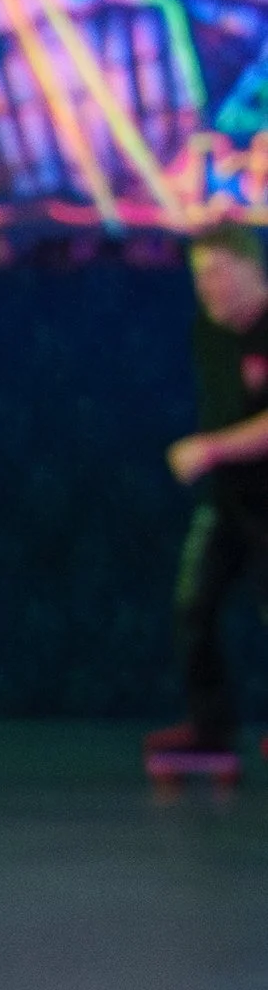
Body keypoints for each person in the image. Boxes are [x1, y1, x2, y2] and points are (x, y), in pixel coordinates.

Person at [145, 222, 268, 779]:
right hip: (228, 503)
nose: (209, 287)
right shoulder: (208, 333)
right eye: (200, 277)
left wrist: (211, 449)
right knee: (194, 608)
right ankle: (211, 729)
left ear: (253, 271)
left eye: (219, 273)